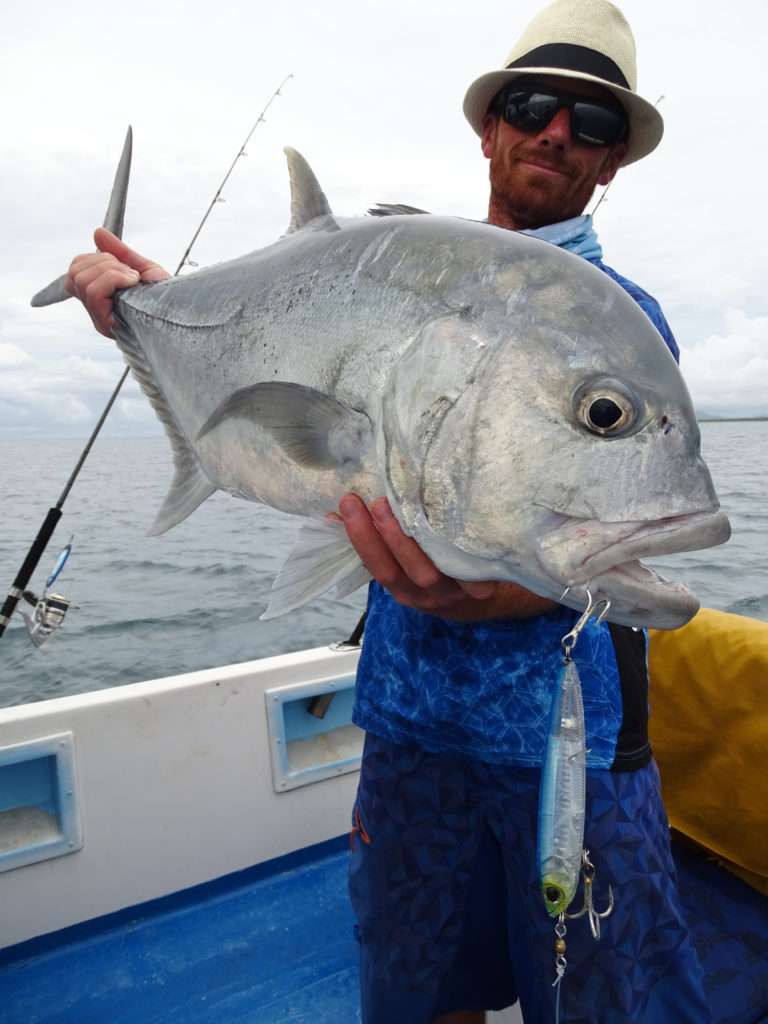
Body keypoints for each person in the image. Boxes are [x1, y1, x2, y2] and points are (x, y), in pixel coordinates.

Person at [64, 2, 711, 1021]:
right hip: (409, 718)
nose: (557, 133)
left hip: (570, 743)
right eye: (536, 105)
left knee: (606, 1000)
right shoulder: (381, 268)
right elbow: (274, 398)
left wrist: (495, 593)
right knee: (419, 987)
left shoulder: (621, 316)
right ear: (490, 128)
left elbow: (570, 551)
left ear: (614, 161)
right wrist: (145, 304)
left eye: (591, 123)